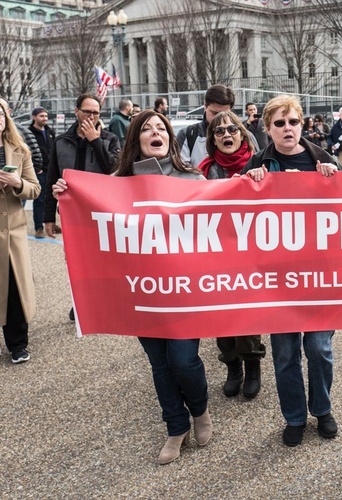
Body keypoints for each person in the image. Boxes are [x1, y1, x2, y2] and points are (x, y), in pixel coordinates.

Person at [52, 110, 212, 465]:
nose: (156, 132)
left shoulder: (191, 178)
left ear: (170, 138)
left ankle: (200, 411)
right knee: (159, 364)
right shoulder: (115, 183)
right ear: (136, 139)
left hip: (184, 292)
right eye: (148, 129)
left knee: (184, 361)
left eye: (162, 128)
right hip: (140, 293)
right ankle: (176, 427)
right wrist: (67, 194)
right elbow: (92, 226)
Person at [241, 94, 339, 448]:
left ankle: (323, 409)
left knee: (319, 348)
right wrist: (247, 183)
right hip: (277, 279)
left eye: (293, 122)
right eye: (279, 123)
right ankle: (294, 417)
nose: (287, 129)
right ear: (267, 129)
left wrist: (333, 179)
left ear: (303, 124)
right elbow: (233, 219)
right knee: (284, 354)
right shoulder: (257, 166)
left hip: (319, 276)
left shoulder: (323, 160)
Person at [196, 110, 267, 399]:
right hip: (215, 255)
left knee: (247, 314)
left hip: (249, 255)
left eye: (232, 129)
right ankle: (232, 367)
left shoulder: (260, 165)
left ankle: (253, 366)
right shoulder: (202, 173)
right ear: (213, 139)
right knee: (220, 315)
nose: (226, 134)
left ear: (242, 134)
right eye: (219, 131)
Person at [44, 93, 120, 240]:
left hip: (101, 211)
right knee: (74, 257)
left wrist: (95, 141)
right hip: (71, 211)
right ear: (76, 111)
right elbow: (52, 179)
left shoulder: (110, 139)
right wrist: (49, 217)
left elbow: (113, 169)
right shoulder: (61, 142)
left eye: (96, 113)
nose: (91, 117)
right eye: (87, 112)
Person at [0, 99, 41, 364]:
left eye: (0, 115)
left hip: (11, 232)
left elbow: (35, 189)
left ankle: (18, 345)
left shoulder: (19, 149)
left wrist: (17, 183)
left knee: (13, 290)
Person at [177, 85, 242, 167]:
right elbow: (180, 170)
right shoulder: (188, 134)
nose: (218, 118)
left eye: (224, 114)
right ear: (205, 105)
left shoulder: (242, 133)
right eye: (215, 113)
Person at [27, 107, 56, 239]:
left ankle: (51, 223)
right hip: (39, 170)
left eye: (46, 116)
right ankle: (39, 226)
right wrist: (35, 167)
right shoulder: (29, 133)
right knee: (39, 199)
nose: (44, 118)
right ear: (34, 117)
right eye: (41, 116)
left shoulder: (50, 131)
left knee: (52, 197)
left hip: (51, 170)